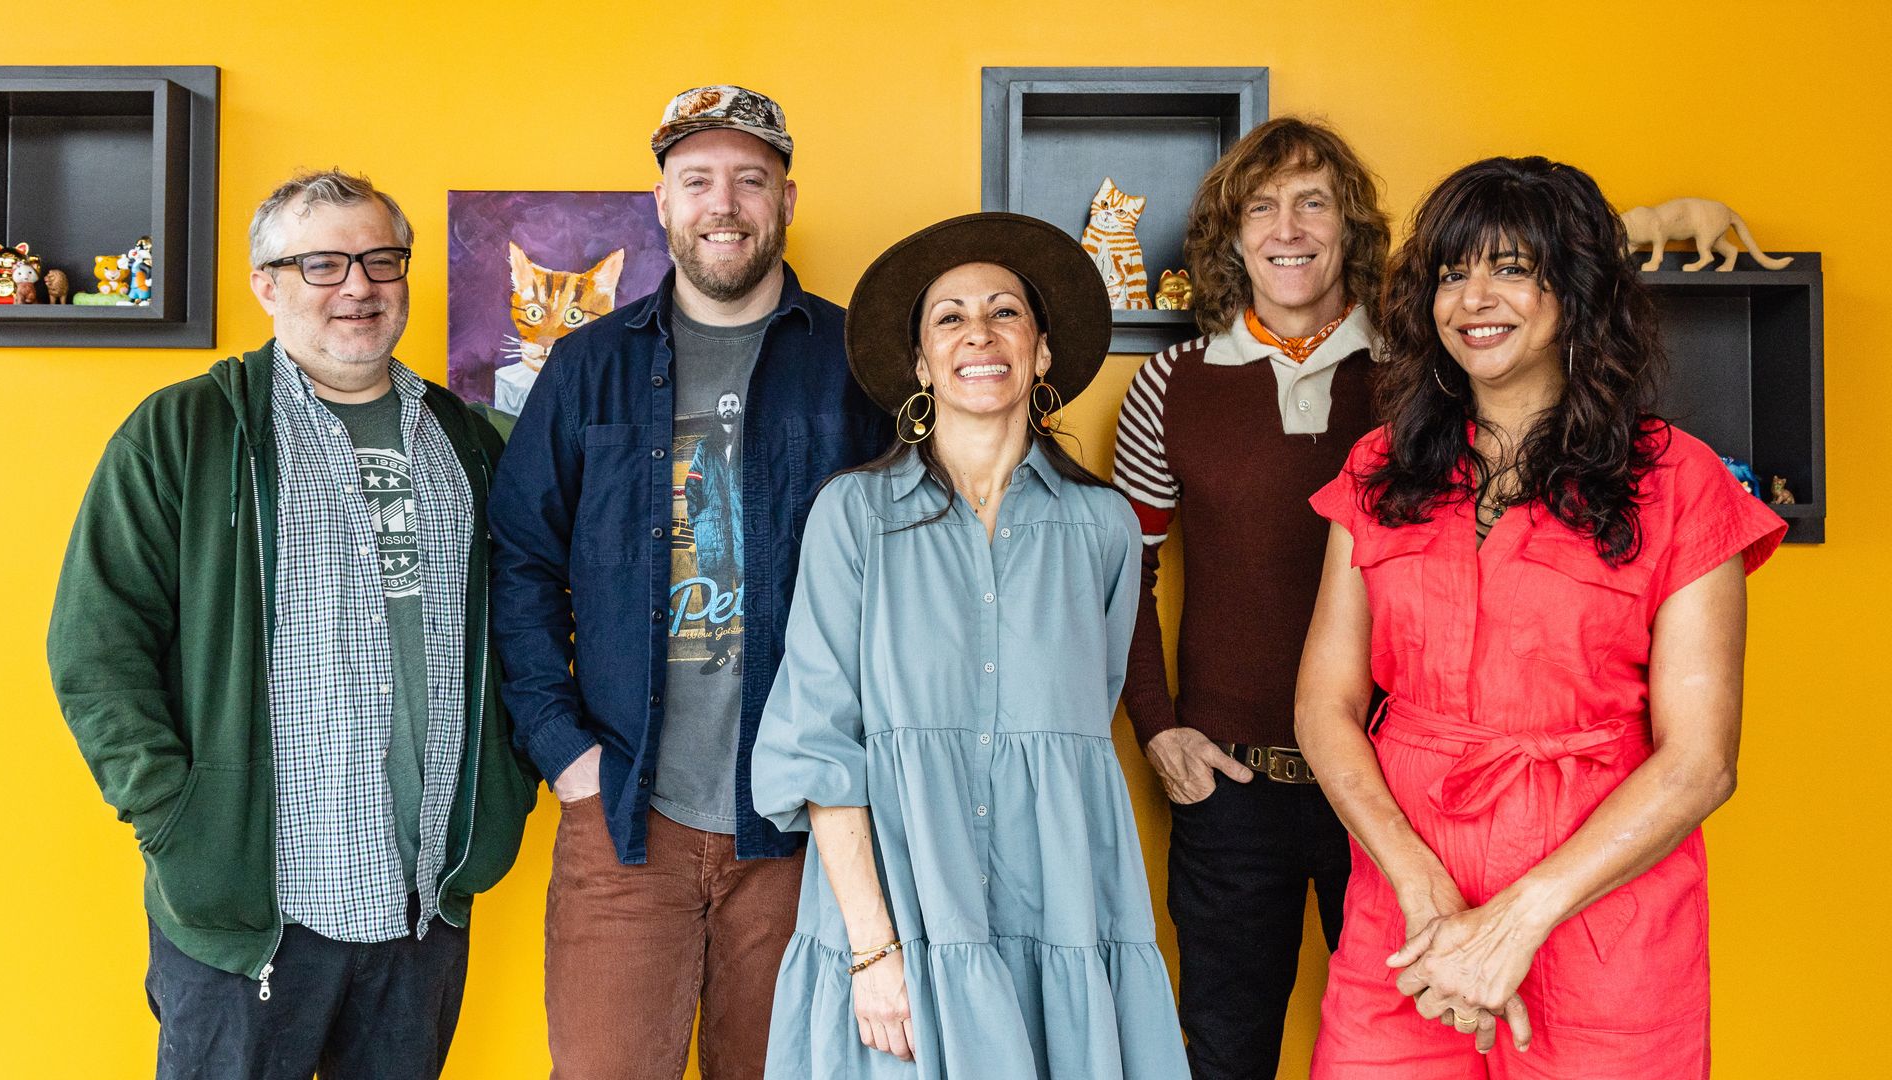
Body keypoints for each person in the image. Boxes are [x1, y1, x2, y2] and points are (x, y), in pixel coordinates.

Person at [1296, 156, 1786, 1077]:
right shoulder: (1377, 469)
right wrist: (1422, 889)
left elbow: (1701, 761)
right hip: (1405, 917)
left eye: (1512, 267)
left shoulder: (1683, 482)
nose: (1473, 297)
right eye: (1451, 272)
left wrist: (1512, 924)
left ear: (1579, 288)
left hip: (1605, 923)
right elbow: (1324, 707)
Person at [47, 170, 538, 1080]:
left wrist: (507, 785)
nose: (358, 285)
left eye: (379, 260)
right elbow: (95, 646)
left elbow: (527, 628)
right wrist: (174, 817)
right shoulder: (185, 432)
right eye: (321, 263)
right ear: (265, 284)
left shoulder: (472, 443)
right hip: (250, 909)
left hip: (421, 897)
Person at [487, 84, 889, 1080]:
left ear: (786, 200)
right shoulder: (585, 370)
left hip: (801, 833)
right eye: (697, 179)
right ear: (661, 203)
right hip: (624, 819)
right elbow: (520, 559)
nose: (724, 203)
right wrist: (562, 750)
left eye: (750, 180)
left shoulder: (858, 365)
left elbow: (914, 564)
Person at [752, 212, 1190, 1079]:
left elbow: (1085, 712)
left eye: (1005, 313)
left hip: (1059, 897)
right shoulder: (854, 516)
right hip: (899, 904)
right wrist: (874, 952)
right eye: (948, 317)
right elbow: (820, 743)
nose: (978, 334)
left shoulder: (1103, 525)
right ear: (920, 363)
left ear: (1043, 351)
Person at [1111, 116, 1390, 1079]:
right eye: (1261, 206)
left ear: (1349, 227)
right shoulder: (1170, 383)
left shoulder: (1423, 379)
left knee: (1411, 1044)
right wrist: (1157, 727)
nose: (1288, 226)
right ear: (1232, 237)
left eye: (1313, 201)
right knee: (1225, 1054)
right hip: (1232, 787)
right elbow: (1125, 577)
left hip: (1397, 783)